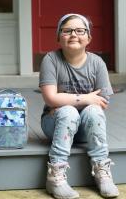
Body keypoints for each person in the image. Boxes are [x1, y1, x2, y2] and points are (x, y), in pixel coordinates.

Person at [39, 13, 119, 199]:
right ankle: (55, 176)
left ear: (89, 37)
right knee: (68, 112)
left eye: (80, 30)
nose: (73, 34)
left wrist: (66, 99)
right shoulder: (51, 60)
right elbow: (51, 98)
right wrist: (85, 98)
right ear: (58, 37)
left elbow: (101, 101)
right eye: (67, 31)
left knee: (93, 110)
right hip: (55, 124)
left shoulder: (97, 63)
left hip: (86, 128)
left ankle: (101, 170)